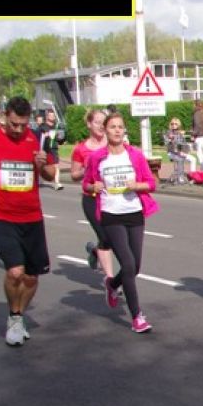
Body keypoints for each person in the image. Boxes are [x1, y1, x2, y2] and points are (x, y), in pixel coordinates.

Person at [0, 96, 58, 345]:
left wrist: (42, 166)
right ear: (5, 117)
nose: (18, 130)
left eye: (23, 125)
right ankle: (15, 316)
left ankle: (18, 314)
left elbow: (51, 174)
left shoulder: (38, 137)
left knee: (31, 277)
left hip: (32, 216)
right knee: (15, 272)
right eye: (14, 124)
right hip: (2, 214)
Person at [82, 113, 159, 333]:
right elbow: (86, 184)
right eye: (113, 127)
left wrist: (137, 185)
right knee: (127, 264)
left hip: (134, 213)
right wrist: (93, 187)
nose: (117, 130)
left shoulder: (135, 155)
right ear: (105, 131)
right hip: (111, 215)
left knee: (135, 266)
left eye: (120, 127)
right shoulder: (97, 158)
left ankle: (112, 284)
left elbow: (151, 184)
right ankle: (137, 317)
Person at [69, 108, 117, 282]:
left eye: (104, 123)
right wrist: (87, 168)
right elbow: (74, 175)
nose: (101, 126)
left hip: (112, 197)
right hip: (91, 198)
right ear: (89, 124)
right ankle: (110, 280)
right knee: (105, 236)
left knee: (113, 237)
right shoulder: (81, 149)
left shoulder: (113, 145)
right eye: (97, 122)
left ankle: (96, 251)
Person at [162, 117, 190, 185]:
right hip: (171, 152)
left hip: (181, 152)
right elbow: (167, 143)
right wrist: (170, 139)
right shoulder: (168, 132)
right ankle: (180, 177)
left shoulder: (180, 133)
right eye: (172, 124)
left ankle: (191, 177)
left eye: (175, 124)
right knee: (180, 159)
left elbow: (185, 144)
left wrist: (184, 152)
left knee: (193, 159)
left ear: (178, 125)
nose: (173, 125)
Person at [191, 99, 203, 171]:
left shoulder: (197, 113)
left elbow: (197, 125)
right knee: (202, 153)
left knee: (200, 154)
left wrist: (193, 134)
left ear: (195, 105)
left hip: (198, 136)